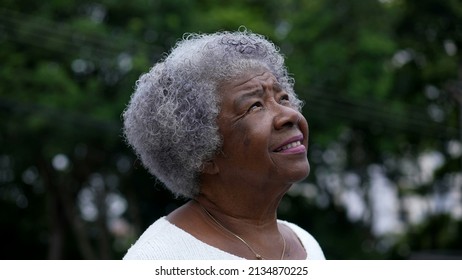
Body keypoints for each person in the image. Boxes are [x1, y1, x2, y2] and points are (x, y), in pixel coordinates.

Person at [122, 29, 325, 260]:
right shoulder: (160, 258)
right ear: (203, 154)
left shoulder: (307, 245)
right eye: (255, 106)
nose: (289, 115)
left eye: (283, 98)